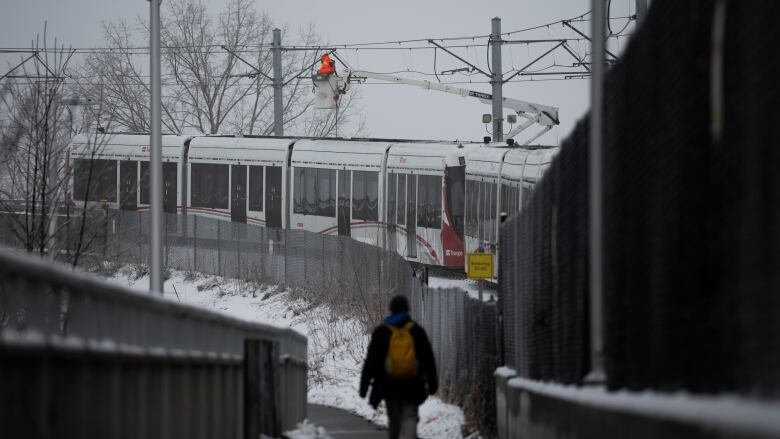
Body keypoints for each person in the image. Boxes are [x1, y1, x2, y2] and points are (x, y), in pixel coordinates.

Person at [360, 295, 438, 439]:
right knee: (409, 415)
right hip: (413, 386)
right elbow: (428, 359)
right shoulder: (416, 331)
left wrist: (364, 388)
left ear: (391, 310)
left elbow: (371, 362)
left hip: (389, 387)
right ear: (407, 309)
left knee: (394, 419)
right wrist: (432, 384)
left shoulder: (382, 332)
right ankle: (409, 433)